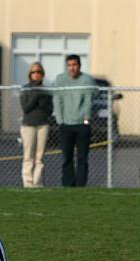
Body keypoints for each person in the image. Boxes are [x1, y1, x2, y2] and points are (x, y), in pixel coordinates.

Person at [52, 54, 96, 187]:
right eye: (69, 65)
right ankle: (68, 185)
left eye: (74, 65)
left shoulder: (86, 80)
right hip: (66, 125)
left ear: (79, 66)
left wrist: (86, 120)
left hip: (82, 125)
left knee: (82, 158)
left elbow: (88, 102)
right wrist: (60, 120)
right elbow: (57, 100)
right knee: (67, 158)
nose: (72, 68)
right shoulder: (60, 79)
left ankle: (81, 186)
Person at [19, 62, 53, 188]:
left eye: (39, 72)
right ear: (30, 74)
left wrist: (42, 98)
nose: (36, 74)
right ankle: (28, 183)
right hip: (28, 125)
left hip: (43, 125)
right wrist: (36, 96)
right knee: (28, 156)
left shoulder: (46, 91)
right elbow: (26, 108)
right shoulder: (26, 89)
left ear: (42, 74)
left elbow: (49, 110)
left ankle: (37, 183)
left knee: (40, 157)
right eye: (34, 72)